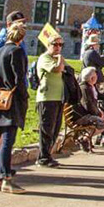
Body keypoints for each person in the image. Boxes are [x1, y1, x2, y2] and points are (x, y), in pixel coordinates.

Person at [0, 23, 30, 194]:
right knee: (7, 140)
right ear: (22, 38)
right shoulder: (17, 52)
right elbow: (19, 79)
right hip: (11, 99)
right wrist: (24, 97)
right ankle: (6, 178)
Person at [34, 35, 66, 168]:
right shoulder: (45, 58)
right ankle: (43, 157)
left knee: (55, 129)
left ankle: (48, 155)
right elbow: (57, 69)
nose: (58, 47)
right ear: (48, 45)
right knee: (46, 129)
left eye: (61, 45)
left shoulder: (57, 59)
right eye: (55, 44)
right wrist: (60, 58)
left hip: (58, 98)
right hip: (47, 98)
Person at [76, 66, 104, 138]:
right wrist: (99, 114)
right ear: (92, 78)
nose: (97, 77)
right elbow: (88, 105)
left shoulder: (88, 86)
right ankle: (85, 138)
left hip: (84, 114)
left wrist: (99, 112)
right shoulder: (85, 88)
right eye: (96, 76)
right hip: (81, 116)